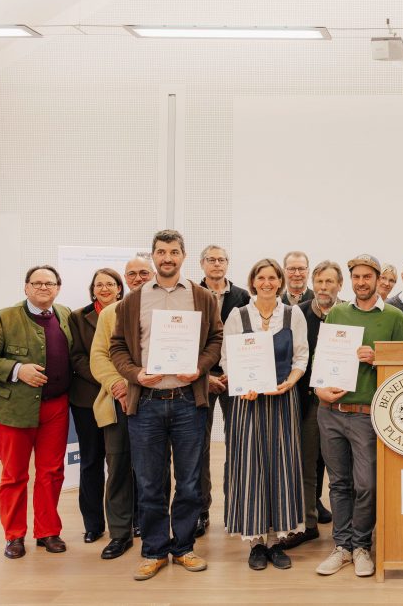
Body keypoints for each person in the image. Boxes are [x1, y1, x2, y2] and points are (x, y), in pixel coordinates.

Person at [109, 229, 224, 581]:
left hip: (189, 402)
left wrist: (200, 367)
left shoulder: (202, 297)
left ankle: (184, 547)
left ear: (184, 256)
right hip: (146, 404)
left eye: (174, 252)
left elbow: (217, 338)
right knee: (149, 482)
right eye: (161, 252)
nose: (167, 258)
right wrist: (135, 373)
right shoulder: (133, 300)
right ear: (153, 256)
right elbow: (117, 348)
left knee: (189, 482)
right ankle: (155, 550)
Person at [0, 265, 73, 559]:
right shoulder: (2, 318)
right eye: (36, 283)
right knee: (14, 475)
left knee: (52, 473)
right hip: (13, 409)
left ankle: (48, 531)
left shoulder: (65, 315)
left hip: (55, 408)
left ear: (58, 288)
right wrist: (17, 370)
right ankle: (14, 535)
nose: (43, 288)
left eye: (49, 283)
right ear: (26, 288)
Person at [315, 254, 403, 578]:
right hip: (331, 411)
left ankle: (361, 546)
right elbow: (322, 355)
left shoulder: (394, 316)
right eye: (356, 277)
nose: (362, 282)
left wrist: (379, 358)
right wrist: (318, 390)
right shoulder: (338, 312)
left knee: (367, 485)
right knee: (339, 484)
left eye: (367, 277)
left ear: (378, 279)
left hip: (367, 414)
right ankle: (342, 546)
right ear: (350, 280)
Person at [221, 258, 309, 571]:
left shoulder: (292, 313)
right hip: (249, 400)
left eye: (273, 277)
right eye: (262, 277)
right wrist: (241, 384)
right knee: (251, 467)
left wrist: (289, 383)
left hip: (283, 399)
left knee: (282, 466)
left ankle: (276, 542)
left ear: (280, 282)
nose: (268, 283)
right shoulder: (238, 314)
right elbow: (227, 358)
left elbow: (301, 356)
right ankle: (256, 543)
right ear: (254, 281)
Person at [89, 256, 154, 560]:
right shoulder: (111, 313)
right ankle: (119, 533)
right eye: (133, 274)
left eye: (144, 272)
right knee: (117, 468)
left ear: (152, 274)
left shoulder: (166, 310)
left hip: (157, 401)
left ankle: (150, 527)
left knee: (153, 471)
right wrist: (119, 385)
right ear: (125, 280)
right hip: (118, 403)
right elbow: (99, 356)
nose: (139, 278)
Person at [286, 260, 345, 549]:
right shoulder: (299, 313)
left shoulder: (347, 313)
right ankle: (308, 524)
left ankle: (347, 528)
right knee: (307, 464)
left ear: (339, 285)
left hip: (342, 401)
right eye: (320, 282)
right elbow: (295, 355)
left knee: (341, 467)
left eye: (330, 282)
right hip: (309, 401)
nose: (324, 288)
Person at [197, 244, 251, 538]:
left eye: (222, 259)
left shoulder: (242, 296)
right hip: (200, 378)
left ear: (228, 263)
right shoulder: (192, 293)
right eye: (211, 260)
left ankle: (235, 509)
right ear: (202, 263)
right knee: (198, 448)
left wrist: (236, 371)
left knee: (237, 444)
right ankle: (201, 511)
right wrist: (204, 374)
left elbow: (249, 337)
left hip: (235, 378)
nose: (217, 264)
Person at [67, 267, 124, 546]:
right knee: (91, 461)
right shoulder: (78, 317)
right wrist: (104, 378)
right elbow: (76, 356)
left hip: (122, 395)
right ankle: (93, 524)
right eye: (99, 285)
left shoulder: (128, 312)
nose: (104, 288)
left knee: (122, 462)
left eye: (110, 284)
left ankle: (128, 520)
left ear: (119, 288)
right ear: (92, 290)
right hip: (88, 398)